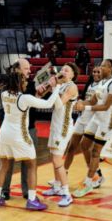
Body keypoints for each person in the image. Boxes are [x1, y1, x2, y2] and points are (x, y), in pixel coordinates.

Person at [0, 72, 61, 210]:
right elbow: (48, 103)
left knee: (3, 165)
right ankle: (32, 199)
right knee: (31, 165)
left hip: (4, 134)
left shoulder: (4, 95)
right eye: (24, 81)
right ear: (18, 83)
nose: (26, 83)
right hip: (19, 135)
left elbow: (29, 102)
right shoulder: (24, 98)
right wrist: (57, 87)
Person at [72, 59, 112, 197]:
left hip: (107, 121)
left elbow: (105, 106)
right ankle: (97, 175)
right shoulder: (101, 82)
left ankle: (88, 182)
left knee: (96, 152)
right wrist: (80, 102)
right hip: (97, 119)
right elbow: (92, 101)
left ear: (110, 69)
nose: (100, 68)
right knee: (84, 146)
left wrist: (85, 107)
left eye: (103, 66)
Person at [1, 59, 43, 200]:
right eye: (26, 68)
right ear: (16, 69)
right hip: (12, 128)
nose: (29, 71)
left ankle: (27, 191)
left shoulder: (30, 84)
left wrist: (41, 93)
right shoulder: (6, 84)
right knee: (7, 162)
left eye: (29, 69)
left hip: (29, 127)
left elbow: (33, 102)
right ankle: (4, 190)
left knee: (28, 163)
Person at [41, 63, 79, 207]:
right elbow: (51, 102)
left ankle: (67, 194)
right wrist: (51, 86)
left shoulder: (71, 87)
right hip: (55, 124)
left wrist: (54, 87)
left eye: (66, 70)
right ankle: (57, 187)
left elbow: (58, 104)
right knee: (53, 156)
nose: (63, 71)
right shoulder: (61, 85)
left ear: (72, 75)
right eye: (62, 69)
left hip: (63, 127)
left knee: (57, 160)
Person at [57, 66, 101, 187]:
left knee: (87, 148)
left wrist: (83, 104)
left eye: (98, 72)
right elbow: (85, 99)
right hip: (82, 118)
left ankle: (95, 175)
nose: (96, 73)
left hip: (93, 120)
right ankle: (63, 174)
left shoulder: (103, 86)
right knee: (71, 147)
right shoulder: (90, 84)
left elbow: (96, 103)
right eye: (94, 72)